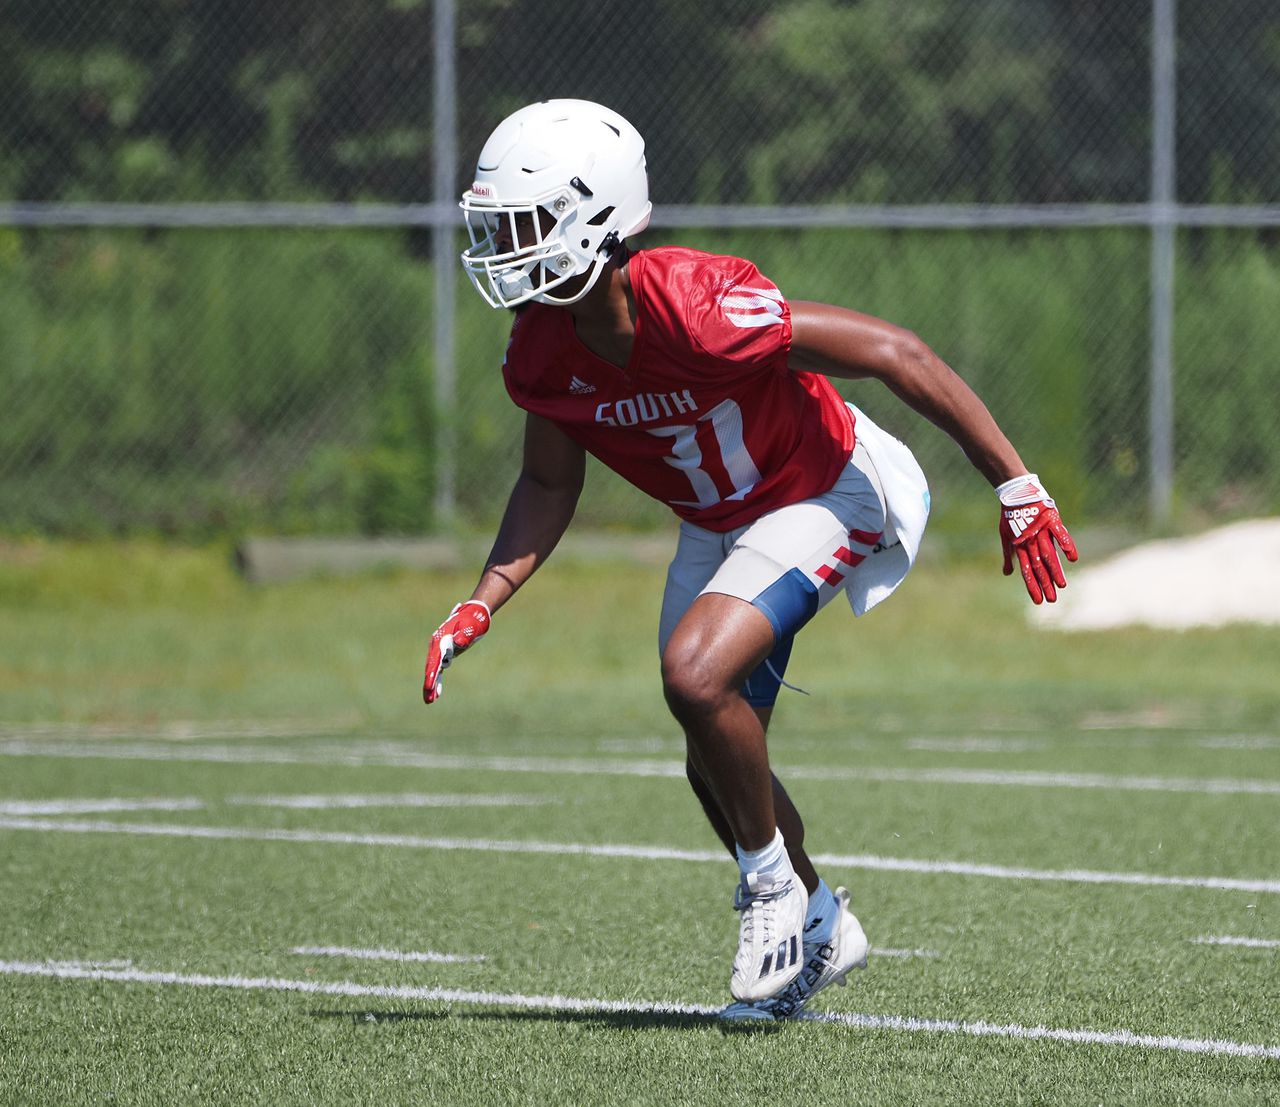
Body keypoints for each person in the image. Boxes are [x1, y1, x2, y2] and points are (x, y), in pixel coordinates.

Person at [421, 99, 1078, 1020]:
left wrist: (1016, 485)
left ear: (596, 217)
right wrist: (482, 601)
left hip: (822, 484)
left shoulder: (696, 305)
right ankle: (818, 924)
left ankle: (771, 892)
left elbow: (895, 350)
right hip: (720, 517)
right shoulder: (542, 346)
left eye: (522, 224)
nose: (503, 247)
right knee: (712, 757)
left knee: (694, 673)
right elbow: (546, 483)